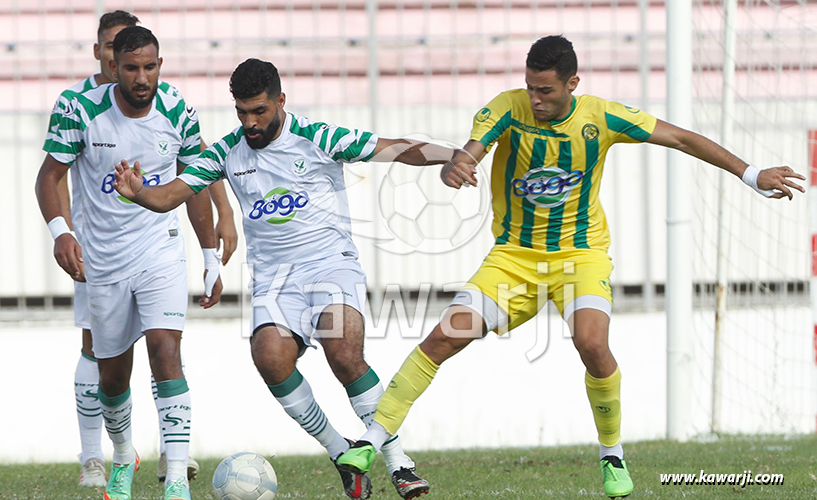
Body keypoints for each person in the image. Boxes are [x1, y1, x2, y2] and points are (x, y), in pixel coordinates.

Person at [334, 35, 806, 498]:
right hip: (514, 257)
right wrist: (457, 165)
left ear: (572, 83)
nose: (535, 99)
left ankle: (612, 454)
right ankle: (373, 441)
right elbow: (473, 146)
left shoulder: (602, 117)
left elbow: (680, 137)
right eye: (530, 87)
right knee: (443, 337)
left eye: (546, 90)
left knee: (592, 342)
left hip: (581, 255)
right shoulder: (507, 106)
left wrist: (750, 173)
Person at [111, 58, 462, 500]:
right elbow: (168, 197)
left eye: (258, 111)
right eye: (241, 112)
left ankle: (399, 463)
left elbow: (393, 148)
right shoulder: (225, 152)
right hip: (275, 281)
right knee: (270, 356)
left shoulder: (317, 137)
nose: (250, 122)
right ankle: (341, 452)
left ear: (280, 100)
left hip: (329, 265)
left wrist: (454, 156)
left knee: (343, 353)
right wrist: (138, 192)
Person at [47, 11, 238, 488]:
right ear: (110, 60)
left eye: (149, 67)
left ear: (159, 65)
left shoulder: (177, 108)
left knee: (165, 349)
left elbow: (194, 180)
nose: (140, 76)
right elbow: (48, 176)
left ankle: (176, 476)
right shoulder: (79, 108)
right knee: (110, 376)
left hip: (160, 250)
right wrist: (61, 232)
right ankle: (120, 452)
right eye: (131, 66)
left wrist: (211, 253)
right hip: (101, 258)